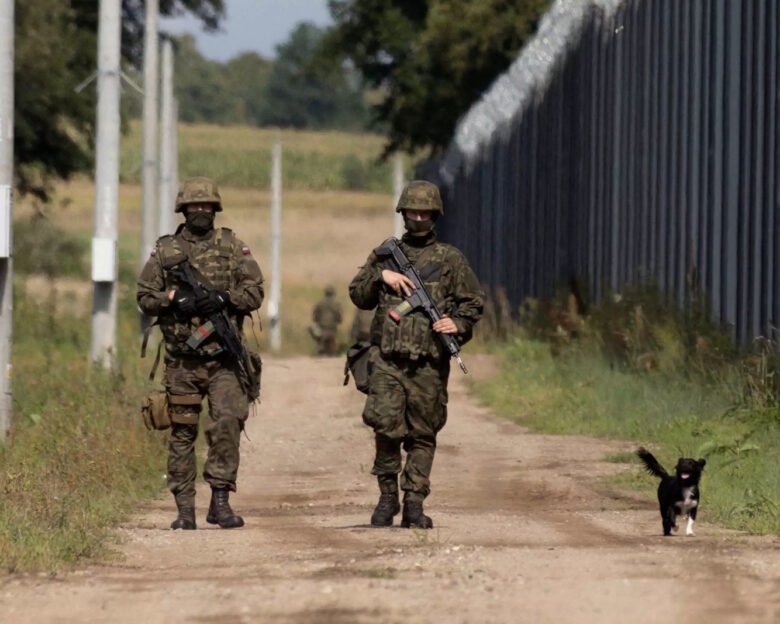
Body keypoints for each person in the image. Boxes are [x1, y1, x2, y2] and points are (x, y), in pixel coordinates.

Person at [349, 180, 483, 528]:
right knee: (385, 428)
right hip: (387, 362)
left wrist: (457, 323)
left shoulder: (450, 259)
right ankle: (387, 497)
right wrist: (382, 276)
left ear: (435, 215)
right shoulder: (384, 255)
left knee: (423, 434)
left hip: (428, 364)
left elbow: (473, 302)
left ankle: (413, 502)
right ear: (403, 213)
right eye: (413, 212)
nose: (419, 218)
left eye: (425, 213)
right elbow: (358, 295)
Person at [137, 177, 264, 530]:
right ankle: (184, 511)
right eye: (195, 205)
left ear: (215, 208)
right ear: (183, 209)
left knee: (227, 424)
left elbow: (255, 291)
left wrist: (225, 298)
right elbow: (144, 296)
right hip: (182, 362)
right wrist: (171, 298)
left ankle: (220, 502)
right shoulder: (166, 250)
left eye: (207, 205)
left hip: (224, 361)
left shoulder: (232, 246)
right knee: (182, 433)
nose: (201, 210)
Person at [310, 286, 343, 355]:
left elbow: (315, 315)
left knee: (320, 337)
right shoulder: (336, 304)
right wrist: (337, 322)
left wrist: (317, 321)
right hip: (332, 327)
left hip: (322, 326)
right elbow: (339, 317)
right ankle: (330, 349)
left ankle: (321, 347)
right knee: (332, 342)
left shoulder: (320, 303)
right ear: (333, 294)